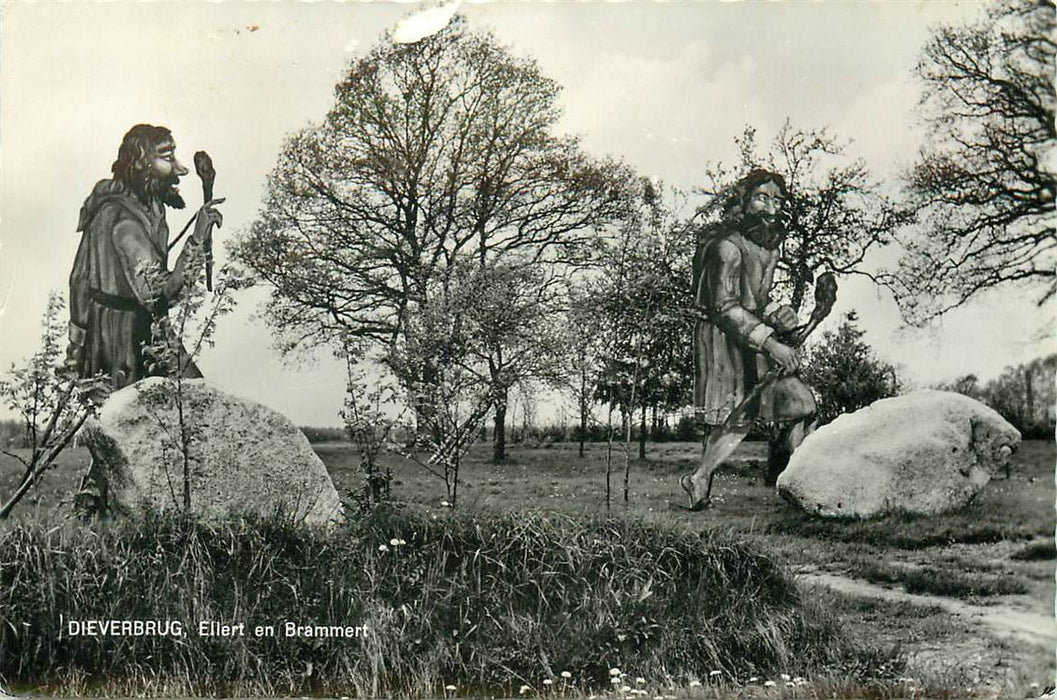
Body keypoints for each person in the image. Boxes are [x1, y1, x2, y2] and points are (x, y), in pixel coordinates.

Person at [682, 169, 817, 509]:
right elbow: (724, 307)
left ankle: (801, 484)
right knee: (733, 417)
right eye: (762, 198)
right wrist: (772, 343)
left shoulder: (768, 248)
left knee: (802, 406)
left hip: (753, 332)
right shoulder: (725, 248)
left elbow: (756, 298)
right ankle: (699, 480)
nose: (771, 208)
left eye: (777, 200)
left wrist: (780, 312)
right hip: (722, 338)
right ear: (742, 202)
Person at [67, 124, 223, 389]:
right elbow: (160, 294)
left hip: (142, 330)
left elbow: (77, 280)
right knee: (192, 400)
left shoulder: (145, 207)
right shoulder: (124, 222)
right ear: (142, 164)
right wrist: (196, 240)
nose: (181, 169)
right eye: (167, 157)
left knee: (197, 399)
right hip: (123, 345)